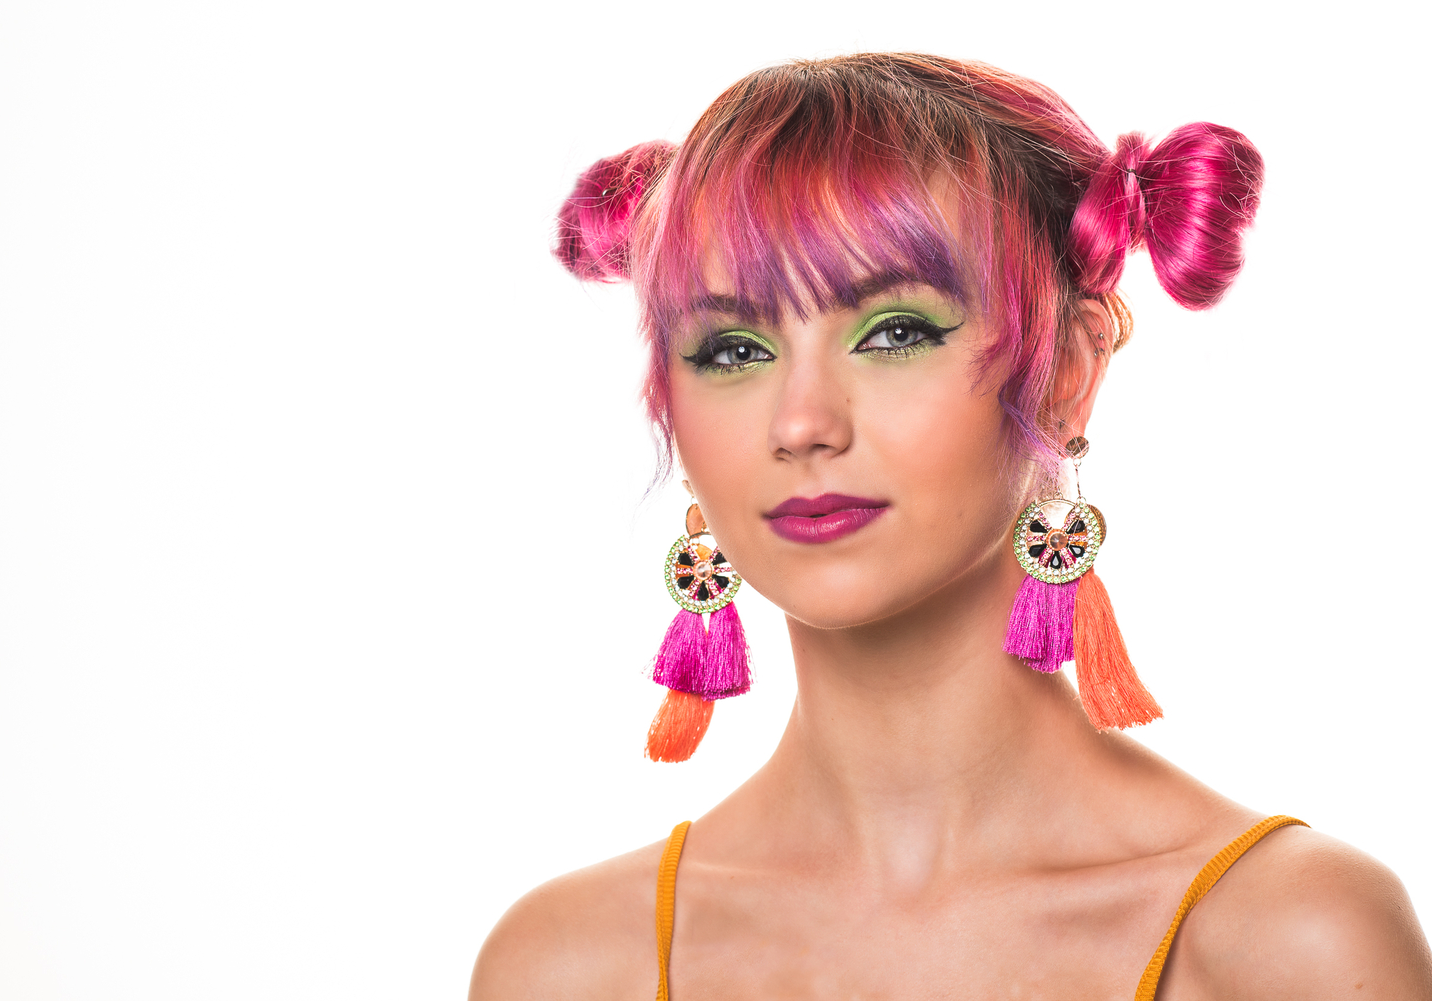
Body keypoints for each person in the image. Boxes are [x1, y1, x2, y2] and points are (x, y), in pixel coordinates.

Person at [469, 53, 1432, 998]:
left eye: (894, 332)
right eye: (734, 348)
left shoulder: (1288, 944)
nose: (801, 423)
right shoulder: (567, 968)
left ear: (1068, 373)